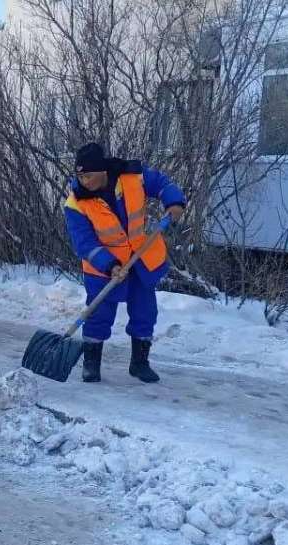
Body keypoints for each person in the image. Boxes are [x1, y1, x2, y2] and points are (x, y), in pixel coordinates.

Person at [63, 142, 186, 384]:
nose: (84, 181)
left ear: (103, 171)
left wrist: (174, 202)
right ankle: (91, 363)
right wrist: (110, 265)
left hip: (140, 258)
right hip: (103, 269)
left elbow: (162, 183)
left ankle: (140, 363)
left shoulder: (132, 178)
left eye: (88, 175)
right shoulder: (76, 203)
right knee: (98, 314)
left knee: (145, 311)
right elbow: (84, 243)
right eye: (80, 176)